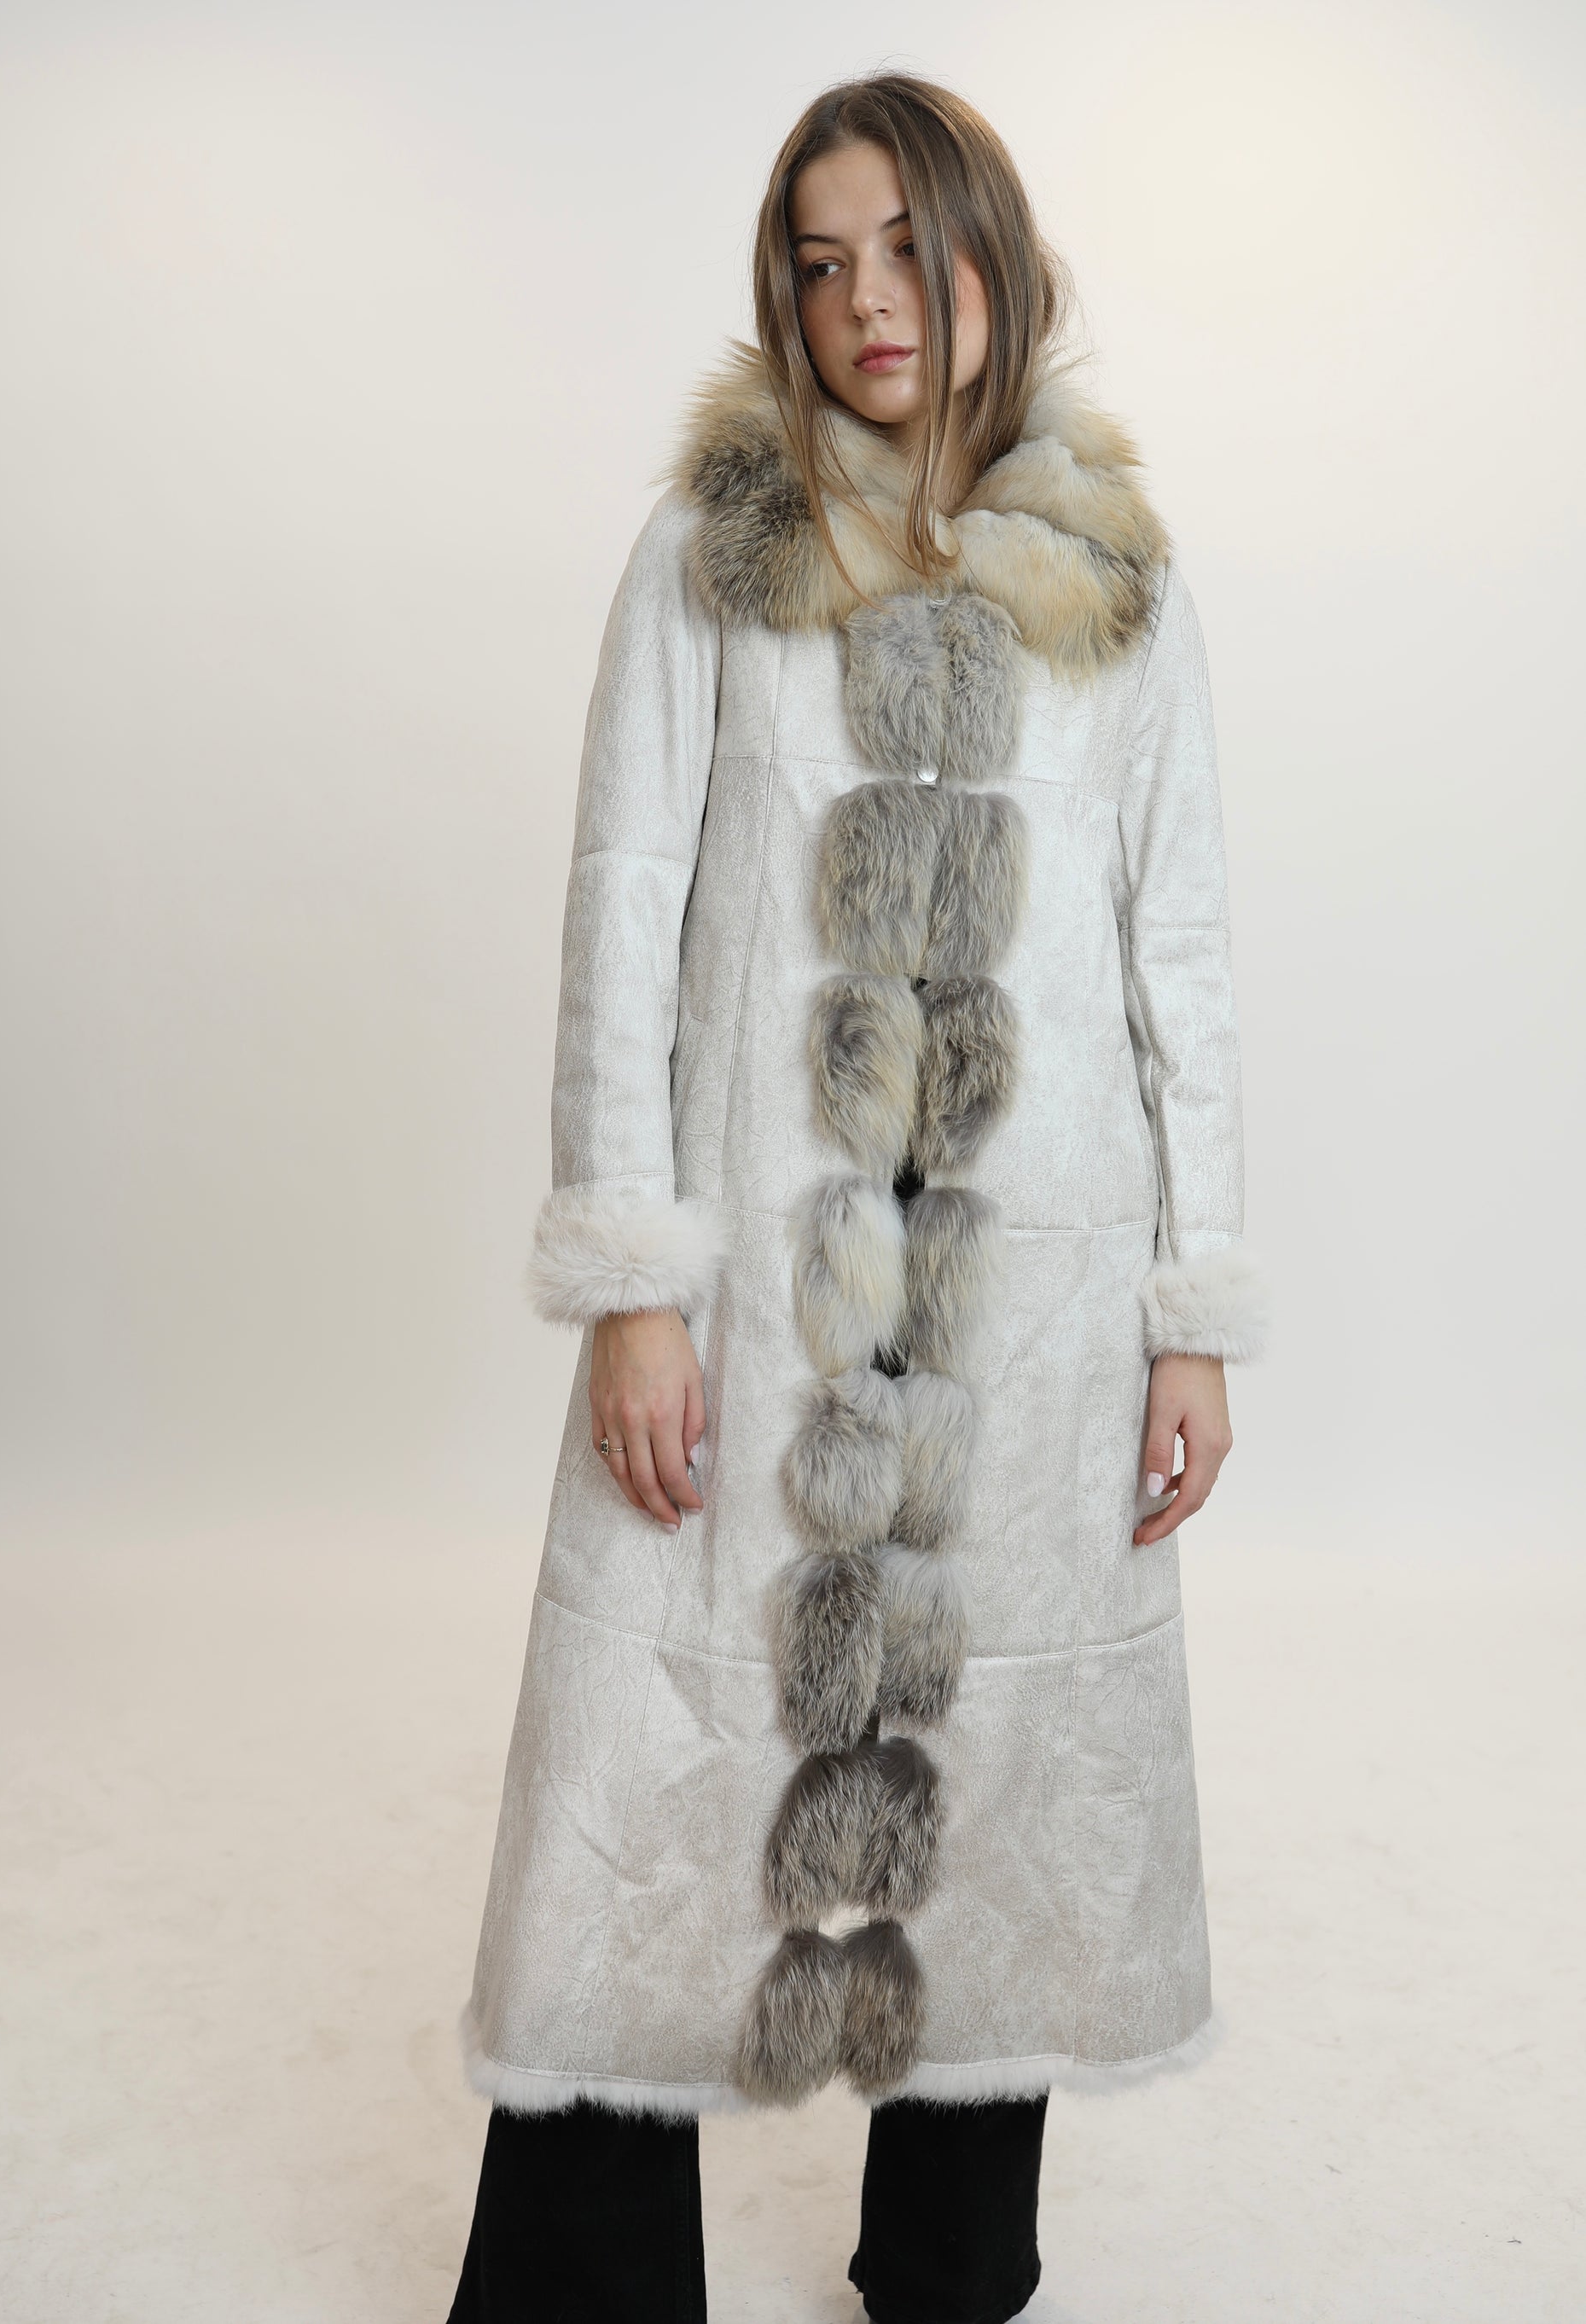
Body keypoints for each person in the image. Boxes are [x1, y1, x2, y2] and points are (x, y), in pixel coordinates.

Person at [445, 69, 1267, 2324]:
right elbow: (624, 902)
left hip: (1039, 1296)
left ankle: (948, 2265)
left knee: (1000, 1772)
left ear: (995, 252)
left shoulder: (1119, 584)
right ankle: (584, 2286)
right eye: (821, 262)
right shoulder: (715, 552)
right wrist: (632, 1277)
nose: (866, 300)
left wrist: (1191, 1311)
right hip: (755, 1276)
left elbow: (1179, 951)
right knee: (650, 1765)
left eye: (906, 245)